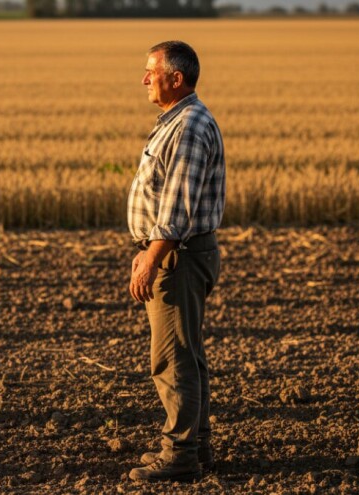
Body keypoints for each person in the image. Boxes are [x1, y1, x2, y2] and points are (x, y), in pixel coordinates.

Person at [126, 40, 225, 483]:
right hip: (179, 253)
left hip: (178, 258)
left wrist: (152, 256)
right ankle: (196, 446)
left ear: (176, 78)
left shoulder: (187, 125)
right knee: (188, 352)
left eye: (152, 71)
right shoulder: (181, 120)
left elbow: (177, 207)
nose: (145, 78)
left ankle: (180, 453)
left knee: (172, 358)